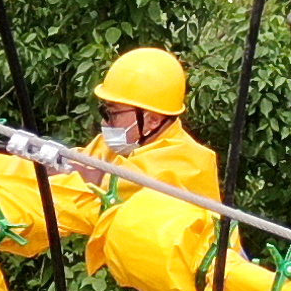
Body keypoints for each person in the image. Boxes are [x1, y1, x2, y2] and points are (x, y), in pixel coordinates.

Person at [88, 47, 220, 201]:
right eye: (104, 111)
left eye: (112, 114)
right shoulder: (116, 143)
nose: (105, 122)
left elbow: (97, 203)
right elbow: (77, 164)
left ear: (153, 120)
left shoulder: (188, 166)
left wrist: (84, 179)